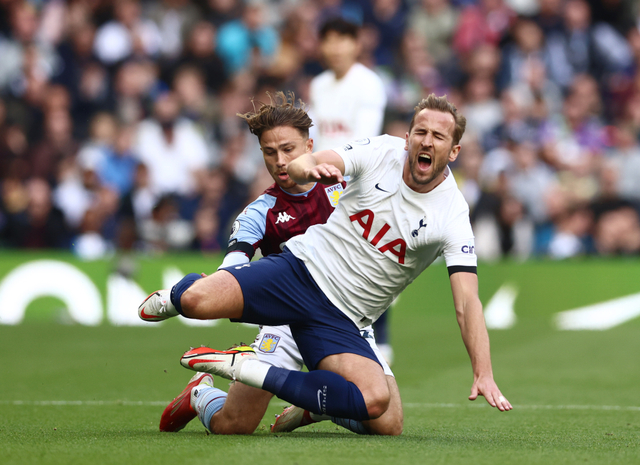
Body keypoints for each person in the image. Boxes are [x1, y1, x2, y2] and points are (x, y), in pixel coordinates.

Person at [139, 94, 512, 432]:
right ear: (409, 135)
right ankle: (191, 356)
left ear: (454, 151)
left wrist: (483, 372)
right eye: (420, 132)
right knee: (200, 318)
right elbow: (317, 161)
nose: (426, 142)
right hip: (299, 274)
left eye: (438, 137)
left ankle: (260, 375)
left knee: (381, 410)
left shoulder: (453, 214)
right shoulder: (382, 151)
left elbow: (467, 302)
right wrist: (308, 168)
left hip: (344, 320)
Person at [154, 91, 401, 435]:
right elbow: (234, 265)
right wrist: (216, 283)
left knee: (388, 424)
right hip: (285, 319)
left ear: (309, 145)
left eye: (289, 150)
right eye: (270, 153)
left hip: (341, 314)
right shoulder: (260, 211)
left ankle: (314, 407)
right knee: (233, 426)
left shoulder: (344, 188)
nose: (280, 161)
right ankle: (199, 393)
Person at [310, 16, 393, 364]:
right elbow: (313, 134)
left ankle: (380, 339)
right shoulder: (318, 86)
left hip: (357, 182)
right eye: (328, 39)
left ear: (357, 44)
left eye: (342, 39)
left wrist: (333, 170)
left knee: (368, 258)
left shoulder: (369, 84)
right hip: (322, 183)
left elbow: (365, 140)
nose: (335, 47)